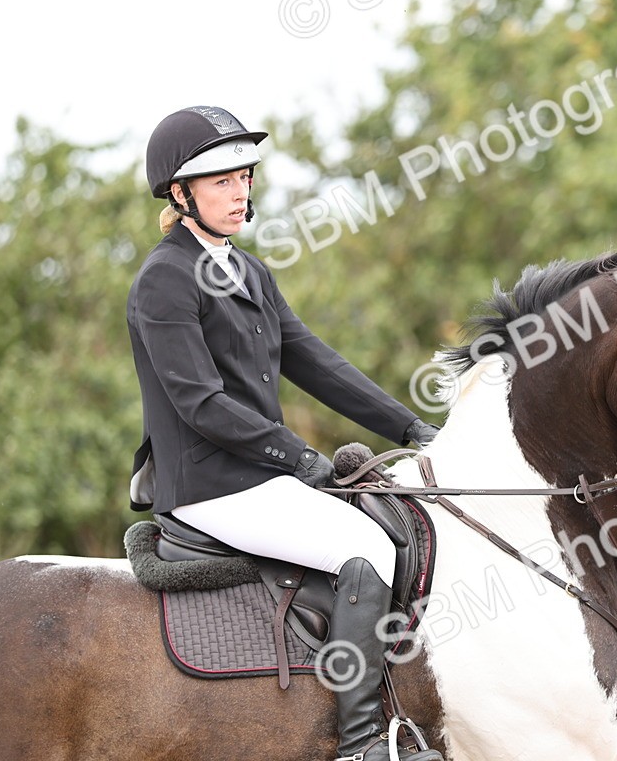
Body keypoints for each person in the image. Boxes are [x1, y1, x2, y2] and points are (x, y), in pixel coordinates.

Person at [128, 105, 443, 761]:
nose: (241, 192)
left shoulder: (247, 270)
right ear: (181, 194)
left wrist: (415, 427)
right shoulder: (163, 280)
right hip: (210, 483)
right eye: (222, 182)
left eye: (244, 177)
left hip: (258, 475)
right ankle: (360, 747)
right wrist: (300, 457)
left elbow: (315, 361)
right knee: (366, 550)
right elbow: (201, 404)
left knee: (400, 525)